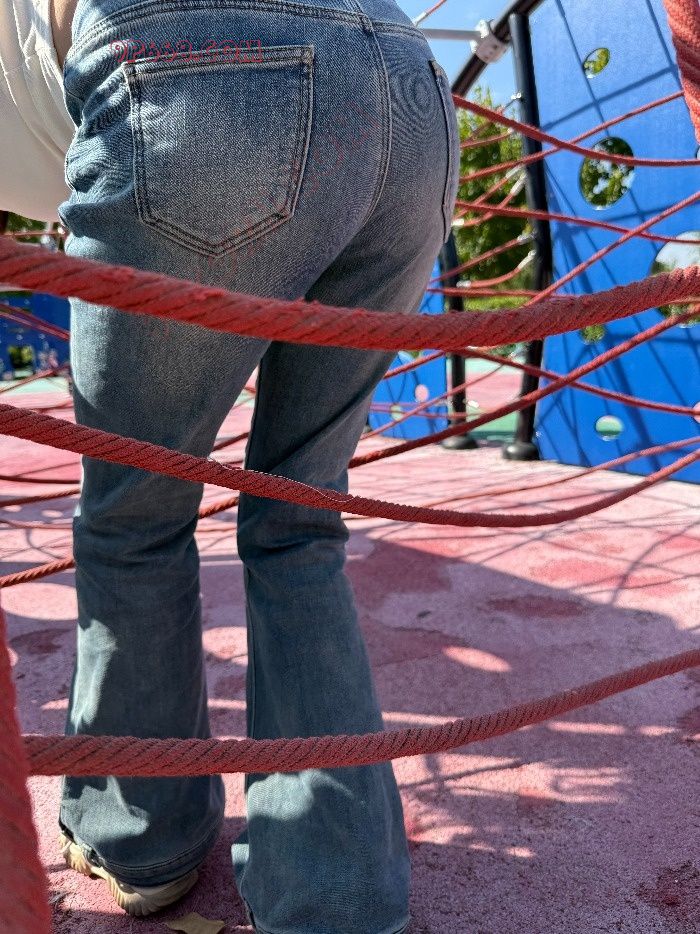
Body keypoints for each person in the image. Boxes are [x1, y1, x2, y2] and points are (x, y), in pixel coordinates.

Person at [2, 0, 460, 930]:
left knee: (136, 514)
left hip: (194, 68)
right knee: (300, 515)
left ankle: (143, 833)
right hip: (407, 80)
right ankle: (338, 896)